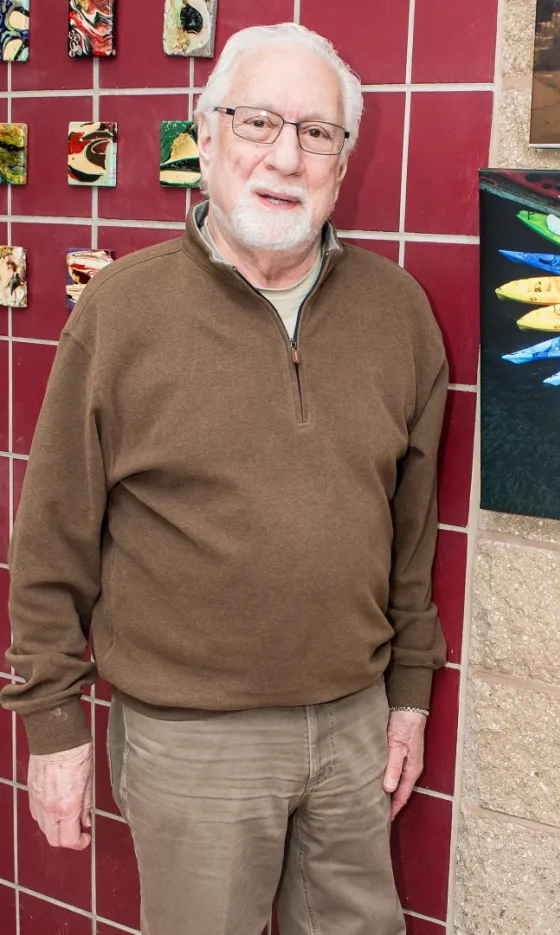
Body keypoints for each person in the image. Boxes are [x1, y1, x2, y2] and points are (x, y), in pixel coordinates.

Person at [1, 22, 447, 935]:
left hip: (353, 721)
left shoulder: (397, 312)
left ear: (343, 159)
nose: (286, 155)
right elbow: (50, 541)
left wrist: (407, 695)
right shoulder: (122, 315)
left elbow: (412, 532)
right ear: (204, 140)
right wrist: (53, 730)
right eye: (257, 123)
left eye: (317, 132)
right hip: (192, 739)